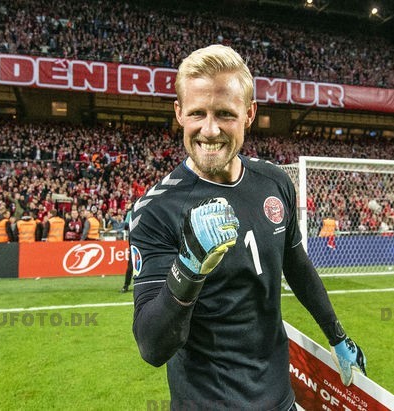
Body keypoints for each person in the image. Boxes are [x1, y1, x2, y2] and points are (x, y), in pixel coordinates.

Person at [130, 45, 366, 410]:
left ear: (249, 114)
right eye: (197, 113)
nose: (209, 130)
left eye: (225, 113)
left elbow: (297, 265)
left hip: (280, 399)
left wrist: (337, 335)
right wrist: (189, 267)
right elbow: (152, 346)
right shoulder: (156, 211)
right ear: (178, 113)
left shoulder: (274, 183)